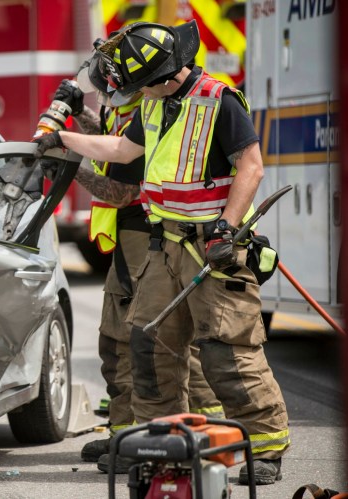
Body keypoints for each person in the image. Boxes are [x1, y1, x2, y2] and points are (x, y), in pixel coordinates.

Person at [34, 20, 289, 485]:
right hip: (164, 245)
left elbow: (251, 168)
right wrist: (63, 138)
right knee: (149, 344)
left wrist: (225, 229)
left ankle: (266, 447)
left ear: (164, 75)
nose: (132, 94)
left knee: (226, 352)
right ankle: (164, 440)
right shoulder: (156, 105)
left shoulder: (220, 100)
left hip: (212, 250)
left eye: (137, 86)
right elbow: (120, 149)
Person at [51, 46, 222, 474]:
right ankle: (126, 434)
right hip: (133, 241)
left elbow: (122, 189)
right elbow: (109, 138)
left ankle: (203, 433)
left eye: (109, 86)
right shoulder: (135, 110)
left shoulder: (149, 111)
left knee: (147, 341)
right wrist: (79, 116)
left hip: (147, 239)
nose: (104, 95)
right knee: (117, 342)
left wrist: (67, 166)